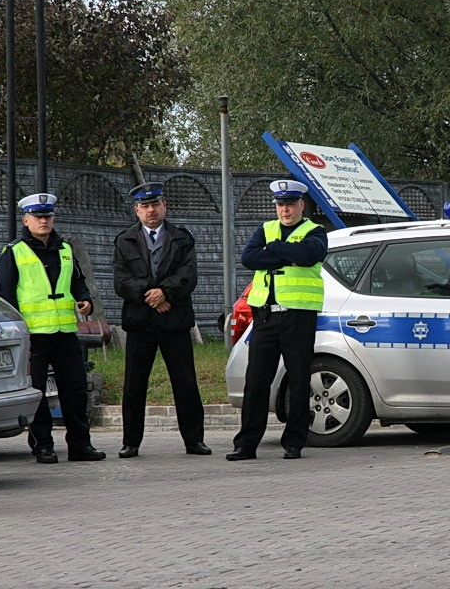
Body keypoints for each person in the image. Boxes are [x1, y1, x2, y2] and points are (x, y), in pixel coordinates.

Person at [0, 193, 106, 464]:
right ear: (26, 220)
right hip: (34, 336)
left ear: (53, 219)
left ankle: (80, 445)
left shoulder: (65, 249)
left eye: (47, 216)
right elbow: (6, 295)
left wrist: (85, 301)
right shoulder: (14, 252)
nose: (43, 221)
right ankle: (43, 446)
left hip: (65, 333)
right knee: (37, 394)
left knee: (76, 390)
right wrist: (18, 332)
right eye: (38, 217)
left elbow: (77, 283)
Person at [226, 180, 328, 461]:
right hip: (265, 316)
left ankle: (294, 442)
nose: (285, 210)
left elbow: (308, 255)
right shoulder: (266, 228)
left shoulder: (315, 231)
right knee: (256, 381)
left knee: (298, 380)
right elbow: (249, 258)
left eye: (290, 204)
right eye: (281, 205)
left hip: (298, 316)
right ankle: (246, 444)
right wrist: (287, 254)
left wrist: (273, 250)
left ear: (301, 205)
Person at [112, 182, 210, 458]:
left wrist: (166, 293)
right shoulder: (124, 240)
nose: (151, 211)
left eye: (155, 205)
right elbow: (121, 281)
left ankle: (194, 440)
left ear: (164, 206)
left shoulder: (182, 237)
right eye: (145, 206)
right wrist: (152, 296)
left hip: (174, 320)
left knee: (186, 383)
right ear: (137, 210)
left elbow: (188, 275)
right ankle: (130, 442)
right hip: (140, 322)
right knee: (134, 384)